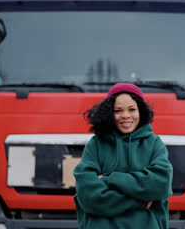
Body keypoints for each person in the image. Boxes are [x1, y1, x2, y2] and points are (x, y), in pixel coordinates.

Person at [73, 83, 173, 229]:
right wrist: (140, 201)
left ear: (141, 111)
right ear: (108, 113)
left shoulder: (154, 143)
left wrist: (110, 178)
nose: (125, 116)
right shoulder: (96, 144)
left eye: (132, 109)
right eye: (117, 111)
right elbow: (87, 196)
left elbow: (161, 184)